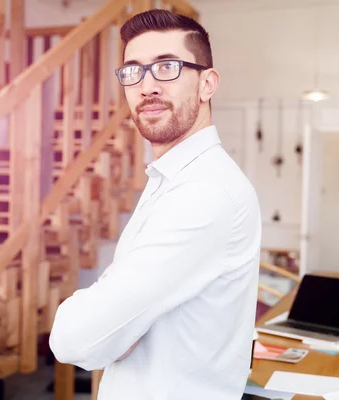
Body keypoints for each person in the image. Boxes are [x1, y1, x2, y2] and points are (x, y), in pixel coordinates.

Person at [49, 9, 262, 400]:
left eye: (167, 67)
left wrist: (112, 322)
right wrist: (118, 322)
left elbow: (74, 340)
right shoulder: (171, 177)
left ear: (207, 84)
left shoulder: (205, 192)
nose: (147, 86)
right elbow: (107, 326)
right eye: (133, 71)